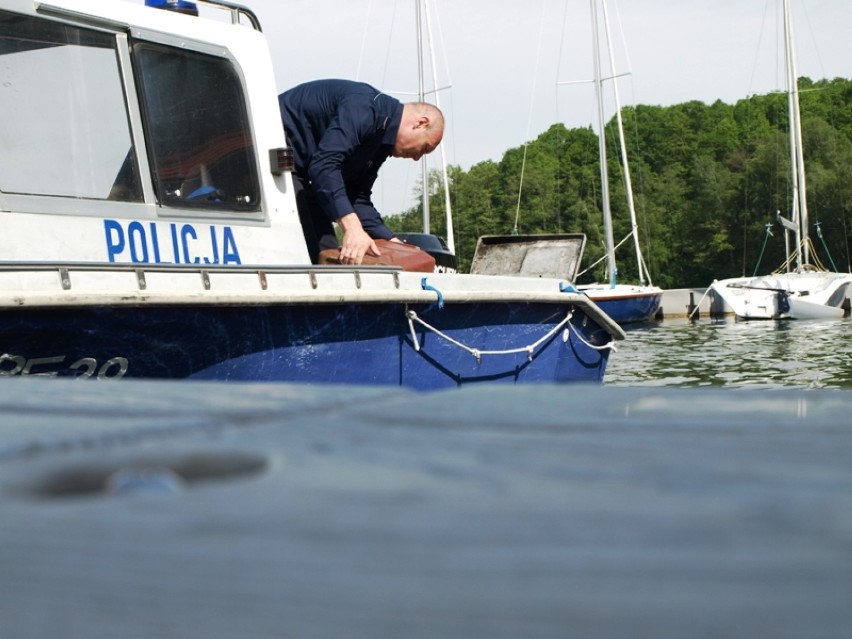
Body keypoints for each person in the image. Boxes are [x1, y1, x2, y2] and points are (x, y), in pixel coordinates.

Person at [278, 79, 444, 265]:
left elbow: (357, 196)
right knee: (311, 256)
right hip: (267, 156)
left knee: (327, 255)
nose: (417, 158)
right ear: (421, 123)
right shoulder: (366, 108)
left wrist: (395, 243)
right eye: (425, 148)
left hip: (301, 174)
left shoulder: (382, 141)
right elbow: (323, 167)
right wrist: (352, 228)